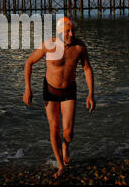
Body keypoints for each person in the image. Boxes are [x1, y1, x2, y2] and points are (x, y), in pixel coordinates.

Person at [23, 17, 95, 178]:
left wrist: (91, 94)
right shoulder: (49, 45)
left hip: (69, 90)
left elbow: (87, 69)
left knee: (68, 132)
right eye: (67, 31)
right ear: (59, 32)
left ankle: (65, 146)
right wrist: (28, 89)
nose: (71, 34)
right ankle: (60, 165)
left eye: (72, 31)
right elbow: (28, 63)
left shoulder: (79, 46)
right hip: (50, 90)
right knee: (54, 128)